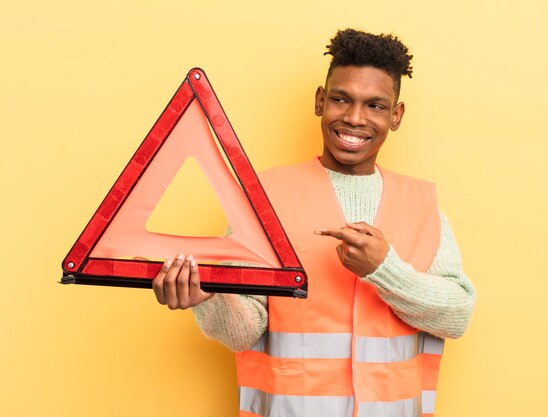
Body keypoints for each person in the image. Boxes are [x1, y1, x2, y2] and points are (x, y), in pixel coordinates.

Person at [152, 28, 476, 417]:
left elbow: (457, 317)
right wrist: (207, 299)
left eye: (375, 105)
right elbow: (245, 330)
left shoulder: (422, 206)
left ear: (396, 115)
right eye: (342, 99)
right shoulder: (265, 199)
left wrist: (383, 270)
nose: (355, 118)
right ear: (321, 101)